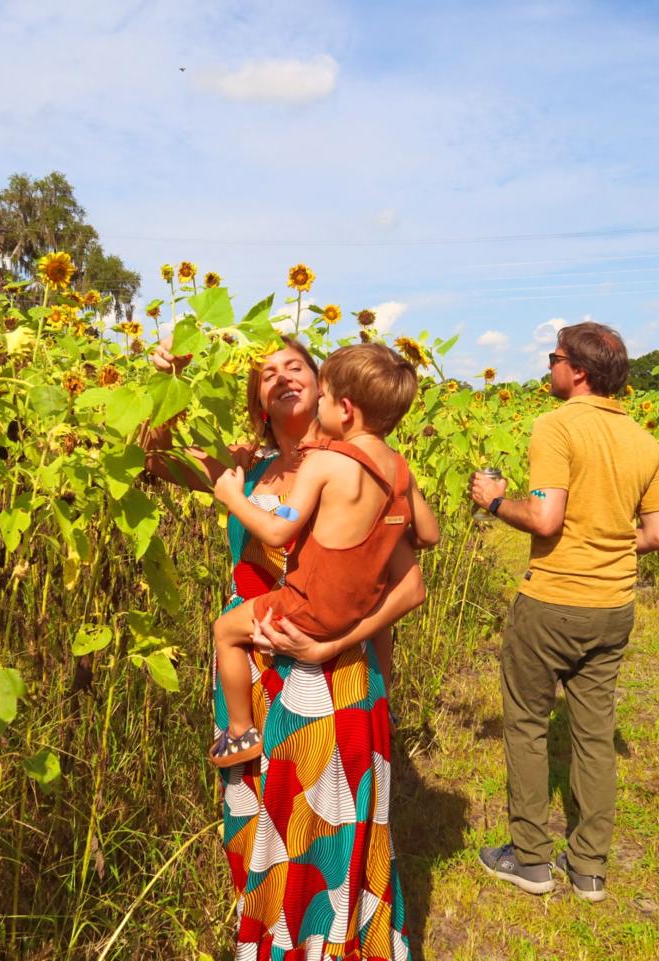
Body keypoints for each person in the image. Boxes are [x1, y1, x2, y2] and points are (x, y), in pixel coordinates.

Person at [144, 334, 420, 959]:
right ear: (258, 401)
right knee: (266, 824)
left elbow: (409, 585)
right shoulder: (251, 470)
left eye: (294, 365)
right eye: (266, 373)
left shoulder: (358, 467)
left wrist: (332, 646)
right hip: (251, 673)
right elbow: (155, 459)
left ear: (330, 390)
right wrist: (165, 387)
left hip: (332, 675)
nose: (281, 376)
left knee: (326, 833)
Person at [469, 321, 659, 903]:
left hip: (553, 602)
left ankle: (530, 860)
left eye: (554, 357)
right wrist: (608, 537)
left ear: (577, 370)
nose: (549, 366)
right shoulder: (643, 439)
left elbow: (545, 520)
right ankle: (588, 869)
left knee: (529, 727)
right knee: (594, 735)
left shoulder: (555, 426)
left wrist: (494, 502)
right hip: (614, 606)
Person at [208, 343, 440, 767]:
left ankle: (240, 732)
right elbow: (429, 533)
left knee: (224, 630)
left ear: (343, 408)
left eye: (325, 397)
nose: (319, 404)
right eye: (268, 372)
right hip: (353, 615)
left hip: (301, 616)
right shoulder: (397, 470)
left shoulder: (325, 462)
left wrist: (232, 498)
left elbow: (279, 532)